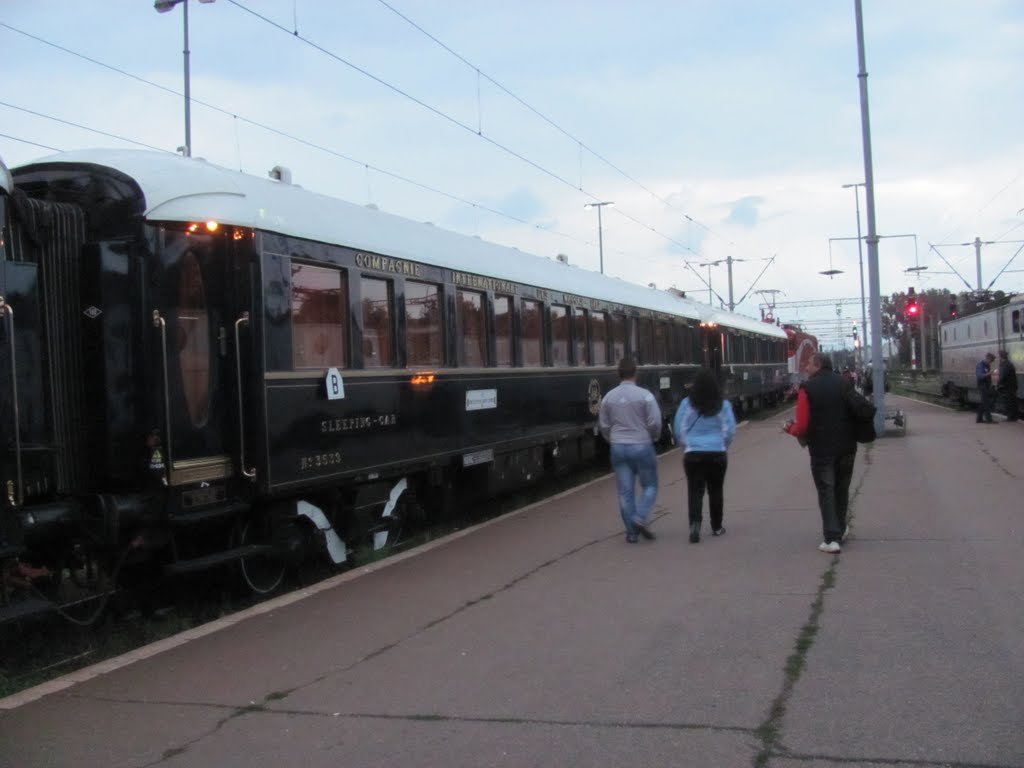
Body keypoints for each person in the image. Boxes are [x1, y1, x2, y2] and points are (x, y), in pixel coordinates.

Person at [783, 352, 857, 554]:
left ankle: (831, 539)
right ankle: (841, 529)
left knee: (826, 491)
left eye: (808, 363)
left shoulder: (808, 388)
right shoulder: (844, 383)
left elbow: (803, 426)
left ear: (818, 365)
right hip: (848, 446)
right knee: (841, 489)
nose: (805, 366)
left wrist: (789, 429)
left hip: (822, 450)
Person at [599, 357, 663, 543]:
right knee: (650, 485)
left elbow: (604, 424)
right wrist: (654, 436)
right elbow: (655, 422)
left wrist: (611, 438)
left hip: (618, 447)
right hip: (641, 445)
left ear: (618, 374)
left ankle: (631, 534)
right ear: (636, 373)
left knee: (625, 492)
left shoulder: (608, 397)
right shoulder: (645, 396)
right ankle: (640, 517)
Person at [672, 368, 737, 543]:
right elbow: (730, 431)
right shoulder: (723, 405)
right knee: (716, 490)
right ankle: (716, 526)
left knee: (694, 491)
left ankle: (694, 525)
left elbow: (679, 429)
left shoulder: (687, 404)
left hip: (693, 453)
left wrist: (686, 446)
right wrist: (723, 445)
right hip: (717, 453)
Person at [996, 350, 1018, 421]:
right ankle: (1014, 417)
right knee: (1013, 401)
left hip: (1008, 387)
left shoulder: (1005, 365)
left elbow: (1003, 376)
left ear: (1001, 357)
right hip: (1012, 386)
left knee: (1009, 402)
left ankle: (1010, 417)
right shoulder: (1009, 364)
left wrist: (998, 383)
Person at [976, 352, 996, 424]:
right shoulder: (980, 365)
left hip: (986, 386)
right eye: (991, 361)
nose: (990, 363)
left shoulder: (987, 366)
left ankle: (979, 419)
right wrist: (989, 373)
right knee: (986, 403)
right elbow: (980, 376)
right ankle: (989, 420)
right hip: (982, 386)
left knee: (983, 403)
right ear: (987, 358)